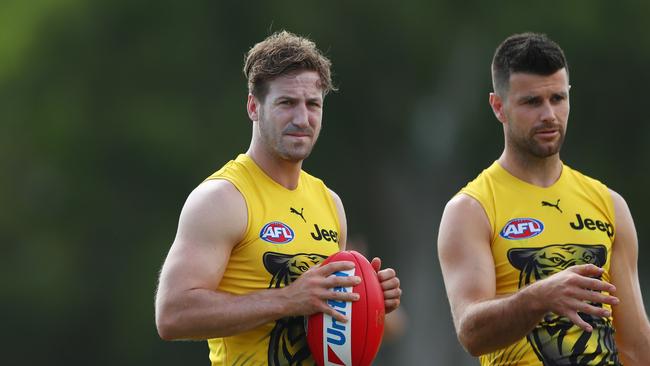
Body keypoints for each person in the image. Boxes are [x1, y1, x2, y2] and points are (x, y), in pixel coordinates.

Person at [154, 30, 402, 365]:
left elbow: (330, 327)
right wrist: (289, 299)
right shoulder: (221, 199)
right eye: (286, 103)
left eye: (312, 104)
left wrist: (369, 299)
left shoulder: (330, 202)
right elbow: (172, 315)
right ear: (254, 106)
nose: (302, 119)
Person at [437, 32, 650, 365]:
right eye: (532, 102)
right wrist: (539, 297)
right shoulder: (471, 209)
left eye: (558, 98)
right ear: (498, 107)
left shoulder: (609, 204)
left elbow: (637, 345)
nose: (549, 114)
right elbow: (471, 333)